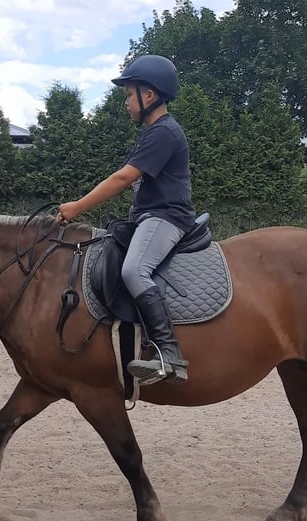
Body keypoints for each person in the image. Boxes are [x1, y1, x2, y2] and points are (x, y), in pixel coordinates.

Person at [56, 54, 196, 385]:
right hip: (150, 216)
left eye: (128, 94)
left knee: (134, 269)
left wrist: (77, 206)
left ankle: (169, 353)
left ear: (148, 96)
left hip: (166, 217)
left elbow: (122, 180)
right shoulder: (153, 133)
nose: (126, 103)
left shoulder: (164, 132)